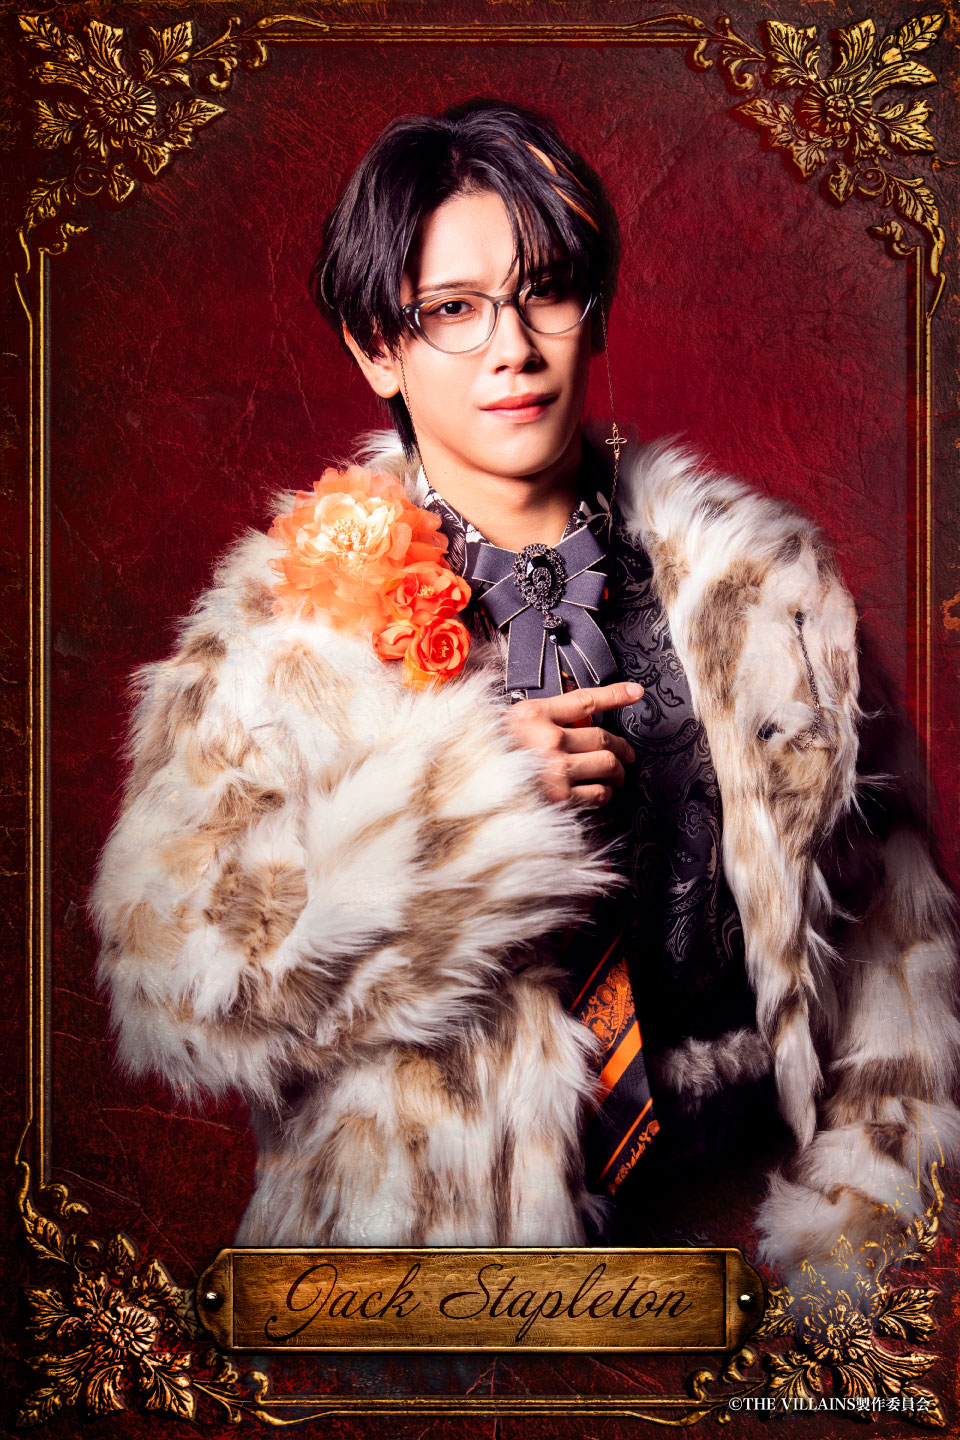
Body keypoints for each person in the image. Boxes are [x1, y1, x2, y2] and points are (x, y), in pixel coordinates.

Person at [92, 100, 958, 1279]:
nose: (512, 347)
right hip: (432, 1271)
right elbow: (175, 983)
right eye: (452, 311)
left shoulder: (762, 585)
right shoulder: (290, 625)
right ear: (378, 347)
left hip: (737, 1233)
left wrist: (863, 1222)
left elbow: (898, 925)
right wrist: (471, 811)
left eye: (545, 291)